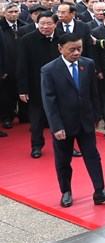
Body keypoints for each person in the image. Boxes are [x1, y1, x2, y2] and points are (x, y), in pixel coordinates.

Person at [40, 34, 105, 209]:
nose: (76, 53)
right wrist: (56, 126)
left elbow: (93, 93)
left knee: (93, 156)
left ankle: (100, 190)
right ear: (60, 48)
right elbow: (49, 101)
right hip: (63, 124)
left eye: (79, 48)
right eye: (72, 50)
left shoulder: (87, 64)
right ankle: (66, 191)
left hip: (85, 121)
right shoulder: (49, 70)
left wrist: (96, 116)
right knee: (63, 160)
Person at [18, 11, 59, 158]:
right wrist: (23, 89)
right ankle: (36, 146)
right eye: (42, 23)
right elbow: (22, 66)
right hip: (37, 85)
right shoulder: (27, 40)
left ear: (56, 24)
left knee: (63, 118)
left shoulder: (63, 38)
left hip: (60, 85)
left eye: (49, 24)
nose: (45, 27)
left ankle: (65, 146)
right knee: (37, 119)